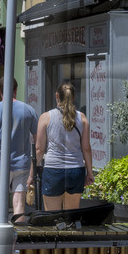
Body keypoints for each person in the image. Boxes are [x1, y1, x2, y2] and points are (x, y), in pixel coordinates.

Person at [0, 80, 40, 223]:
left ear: (0, 90)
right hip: (22, 165)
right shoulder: (28, 110)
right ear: (15, 90)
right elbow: (38, 140)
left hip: (0, 165)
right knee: (19, 205)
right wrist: (34, 165)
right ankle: (17, 241)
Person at [34, 81, 94, 213]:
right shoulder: (82, 118)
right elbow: (86, 148)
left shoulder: (45, 117)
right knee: (71, 216)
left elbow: (39, 149)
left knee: (52, 216)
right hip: (76, 170)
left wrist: (31, 173)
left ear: (57, 96)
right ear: (73, 97)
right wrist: (90, 172)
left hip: (53, 170)